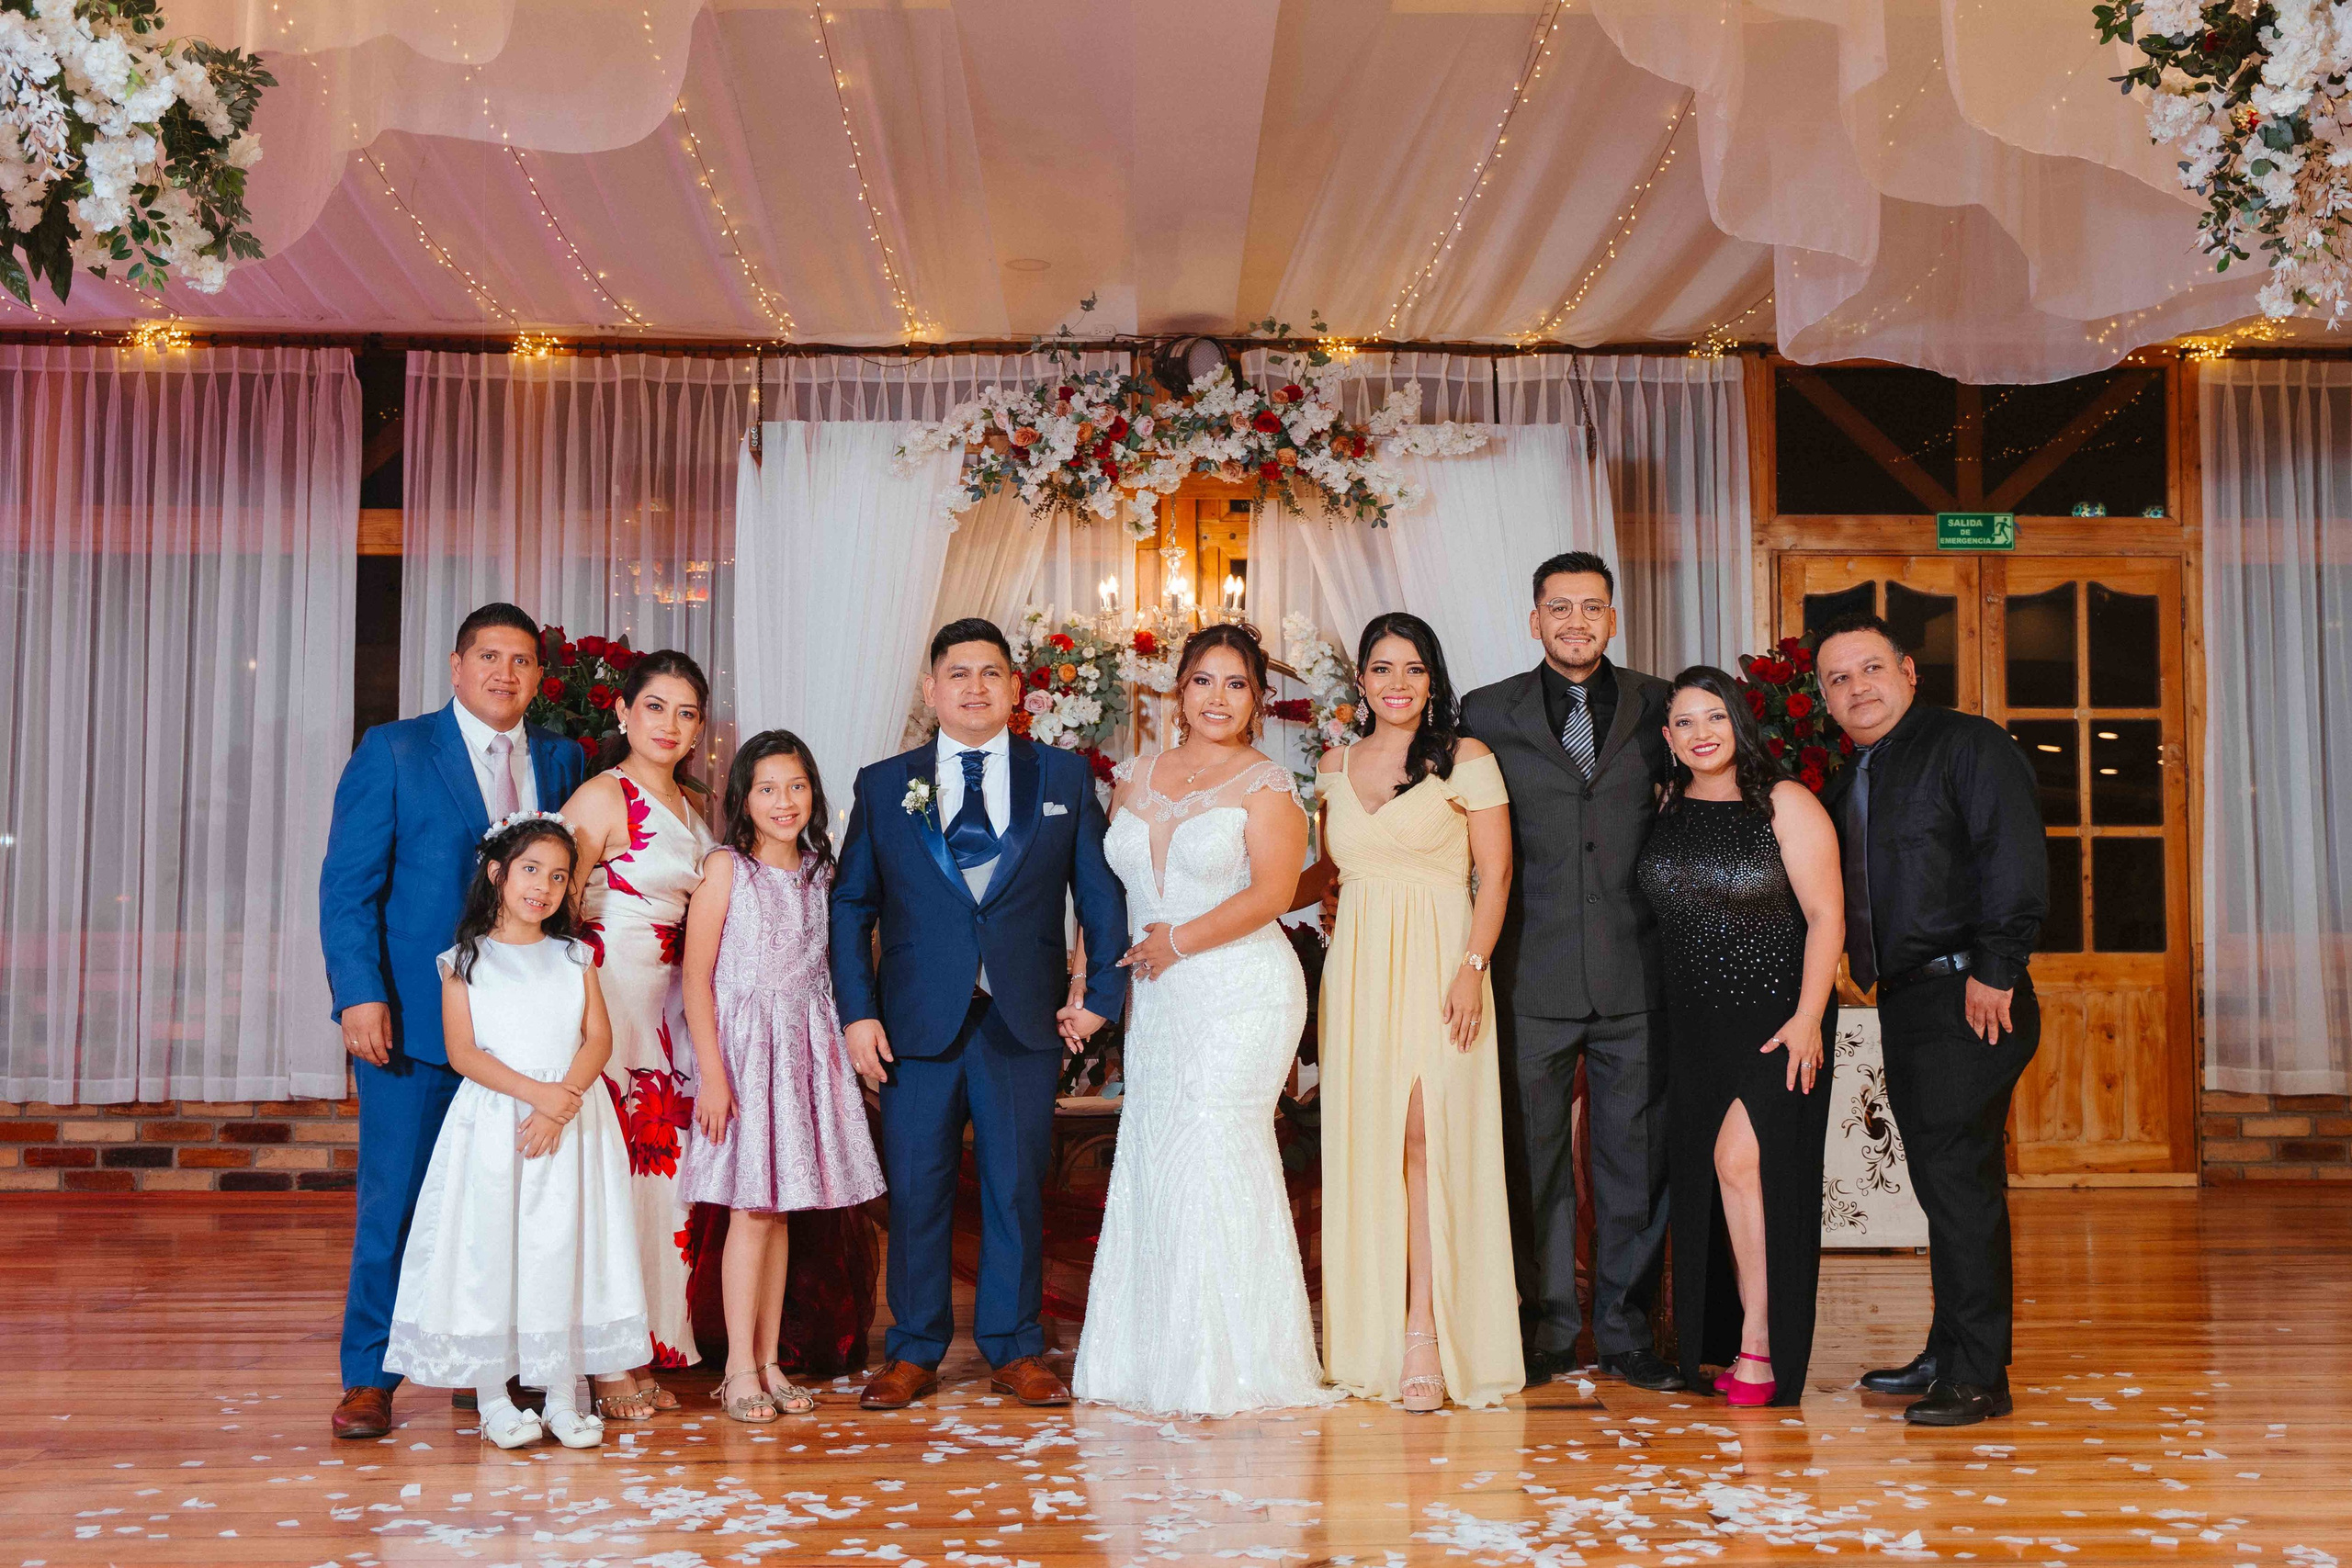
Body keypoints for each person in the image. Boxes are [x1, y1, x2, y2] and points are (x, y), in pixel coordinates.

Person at [830, 617, 1129, 1410]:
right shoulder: (883, 783)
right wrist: (857, 1013)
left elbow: (1099, 895)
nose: (973, 686)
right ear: (931, 691)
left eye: (990, 672)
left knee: (1015, 1187)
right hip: (915, 1023)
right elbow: (851, 901)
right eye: (957, 673)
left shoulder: (1061, 779)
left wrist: (1099, 996)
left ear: (1014, 688)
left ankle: (1015, 1346)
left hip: (1021, 1020)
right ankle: (915, 1349)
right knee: (918, 1188)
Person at [320, 602, 591, 1440]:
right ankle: (372, 1376)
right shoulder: (394, 751)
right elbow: (348, 886)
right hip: (416, 1028)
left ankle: (491, 1369)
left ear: (539, 677)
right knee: (396, 1203)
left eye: (520, 660)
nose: (504, 673)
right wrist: (358, 993)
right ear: (455, 664)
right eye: (488, 657)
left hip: (526, 1040)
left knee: (510, 1205)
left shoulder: (562, 756)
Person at [1073, 624, 1338, 1417]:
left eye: (1236, 684)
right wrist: (1090, 980)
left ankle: (1236, 1363)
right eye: (1203, 681)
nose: (1217, 698)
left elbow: (1271, 891)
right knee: (1160, 1150)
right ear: (1178, 690)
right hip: (1159, 995)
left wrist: (1178, 941)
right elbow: (1111, 898)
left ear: (1256, 700)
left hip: (1238, 989)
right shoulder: (1134, 775)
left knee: (1218, 1145)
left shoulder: (1266, 784)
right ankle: (1151, 1359)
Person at [1458, 551, 1682, 1392]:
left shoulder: (1662, 704)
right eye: (1560, 608)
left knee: (1634, 1162)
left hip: (1636, 974)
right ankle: (1546, 1329)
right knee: (1534, 1163)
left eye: (1592, 608)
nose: (1577, 622)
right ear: (1534, 619)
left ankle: (1626, 1332)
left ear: (1613, 619)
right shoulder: (1486, 713)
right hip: (1530, 975)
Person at [1815, 613, 2045, 1427]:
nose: (1856, 688)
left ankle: (1980, 1375)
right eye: (1838, 679)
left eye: (1870, 668)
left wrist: (1996, 969)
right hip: (1909, 1000)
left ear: (1909, 671)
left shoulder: (1968, 746)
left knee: (1960, 1186)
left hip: (1969, 996)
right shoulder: (1856, 774)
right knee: (1942, 1186)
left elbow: (2011, 856)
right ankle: (1949, 1349)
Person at [1305, 612, 1521, 1411]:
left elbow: (1495, 876)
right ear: (1361, 681)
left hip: (1441, 961)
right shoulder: (1332, 763)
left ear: (1433, 680)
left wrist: (1471, 967)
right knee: (1372, 1147)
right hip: (1359, 970)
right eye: (1382, 668)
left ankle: (1427, 1331)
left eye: (1414, 669)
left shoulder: (1467, 758)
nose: (1398, 684)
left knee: (1429, 1139)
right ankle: (1367, 1334)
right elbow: (1324, 872)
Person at [382, 813, 646, 1450]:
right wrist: (537, 1097)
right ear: (498, 873)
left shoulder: (573, 955)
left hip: (570, 1122)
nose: (544, 887)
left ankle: (562, 1393)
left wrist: (563, 1103)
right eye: (531, 870)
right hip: (500, 1123)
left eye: (558, 876)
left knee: (563, 1246)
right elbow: (463, 1052)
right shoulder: (464, 960)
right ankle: (494, 1397)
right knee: (490, 1250)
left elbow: (598, 1037)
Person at [1634, 668, 1844, 1407]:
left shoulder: (1784, 803)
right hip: (1693, 1025)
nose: (1701, 733)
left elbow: (1826, 916)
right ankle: (1730, 1339)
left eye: (1714, 716)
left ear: (1738, 724)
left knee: (1742, 1161)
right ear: (1668, 738)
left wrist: (1810, 1017)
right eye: (1685, 722)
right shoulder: (1665, 807)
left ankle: (1761, 1340)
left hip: (1778, 1017)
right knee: (1721, 1176)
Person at [678, 730, 885, 1423]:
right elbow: (696, 979)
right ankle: (738, 1365)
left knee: (781, 1208)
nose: (783, 801)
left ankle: (769, 1360)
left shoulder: (821, 871)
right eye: (766, 788)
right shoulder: (726, 869)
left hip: (801, 1051)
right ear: (743, 798)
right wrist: (712, 1072)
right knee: (749, 1210)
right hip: (742, 1054)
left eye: (795, 786)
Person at [561, 649, 718, 1418]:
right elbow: (548, 905)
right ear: (623, 713)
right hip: (608, 1002)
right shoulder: (601, 795)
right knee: (608, 1184)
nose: (669, 723)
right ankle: (604, 1361)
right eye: (655, 706)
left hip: (666, 1013)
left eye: (685, 712)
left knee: (657, 1187)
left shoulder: (695, 811)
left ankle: (645, 1339)